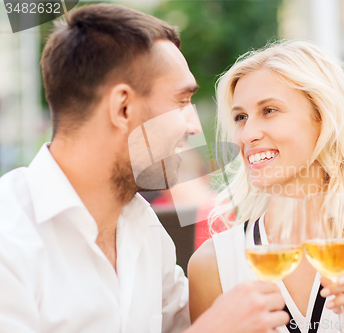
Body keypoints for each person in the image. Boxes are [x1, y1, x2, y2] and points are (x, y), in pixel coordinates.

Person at [0, 4, 288, 333]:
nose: (194, 126)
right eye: (181, 101)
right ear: (123, 108)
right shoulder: (9, 239)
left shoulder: (144, 228)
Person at [189, 41, 344, 332]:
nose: (248, 134)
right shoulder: (212, 263)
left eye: (269, 110)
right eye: (240, 117)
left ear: (323, 118)